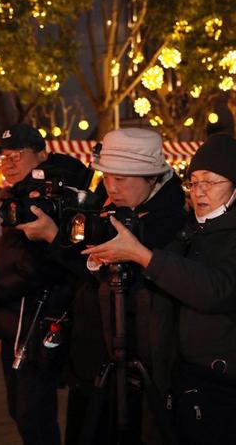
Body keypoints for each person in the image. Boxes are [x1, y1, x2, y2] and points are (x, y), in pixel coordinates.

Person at [83, 134, 236, 445]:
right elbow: (165, 275)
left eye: (211, 182)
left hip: (233, 386)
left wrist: (141, 255)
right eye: (194, 182)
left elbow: (214, 289)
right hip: (188, 378)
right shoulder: (194, 228)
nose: (200, 192)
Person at [20, 127, 187, 444]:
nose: (111, 186)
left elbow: (105, 272)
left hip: (138, 368)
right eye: (107, 176)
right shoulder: (113, 207)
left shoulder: (172, 220)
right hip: (94, 363)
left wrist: (55, 238)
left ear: (151, 177)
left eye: (121, 179)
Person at [0, 123, 88, 445]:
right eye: (4, 157)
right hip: (17, 320)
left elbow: (40, 265)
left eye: (18, 154)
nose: (9, 162)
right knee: (22, 412)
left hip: (37, 321)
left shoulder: (51, 195)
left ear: (42, 154)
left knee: (33, 415)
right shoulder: (19, 194)